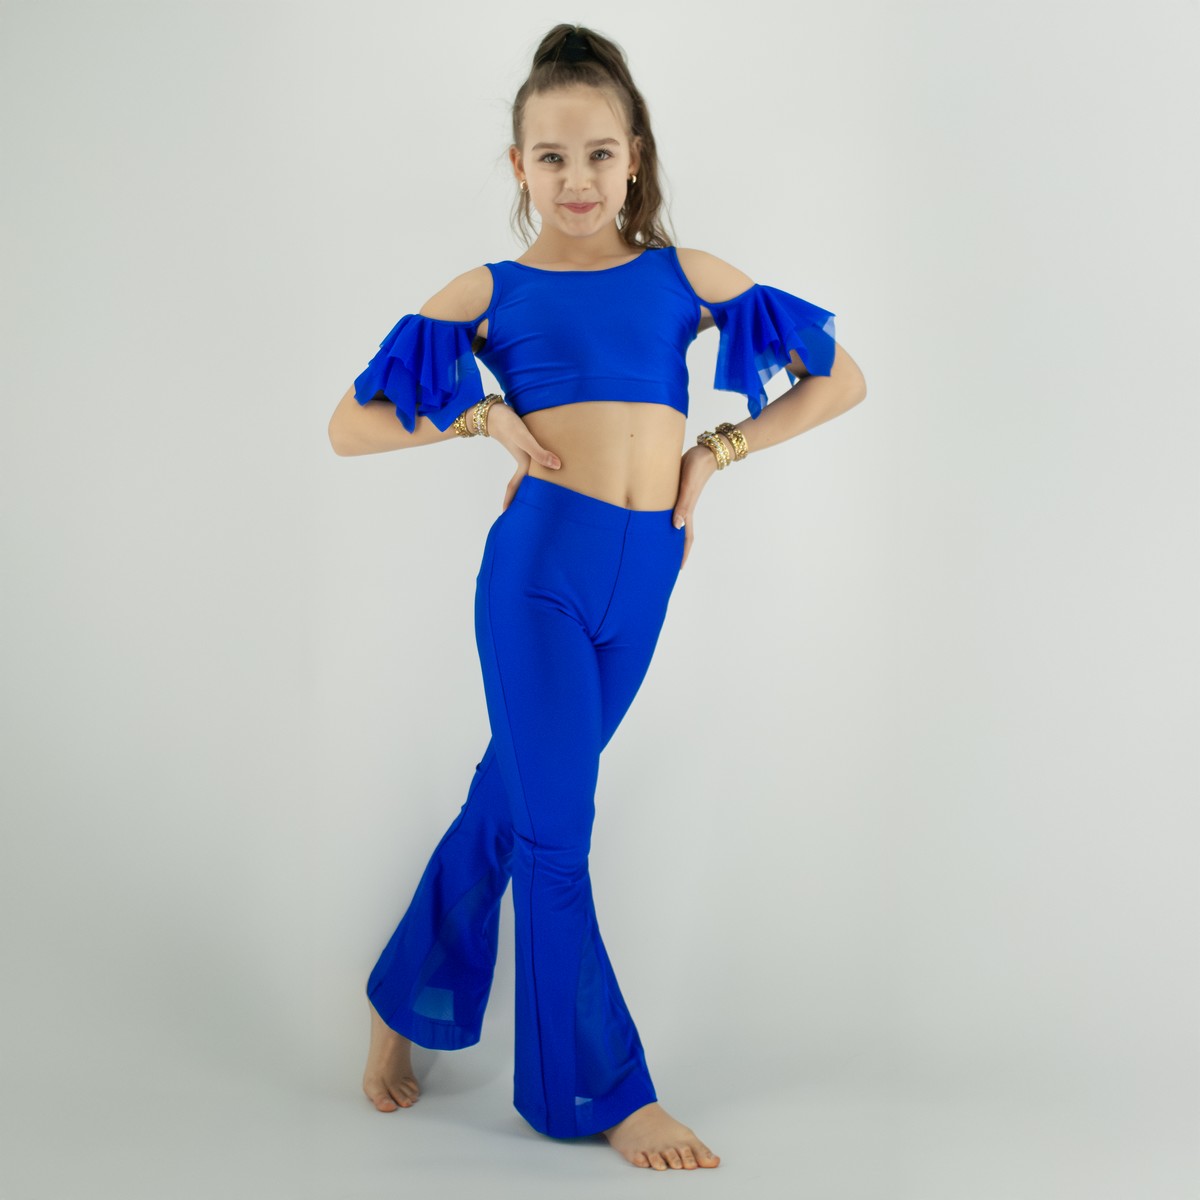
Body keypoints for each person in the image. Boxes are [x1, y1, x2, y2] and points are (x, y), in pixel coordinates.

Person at [326, 22, 867, 1172]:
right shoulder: (492, 289)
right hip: (540, 576)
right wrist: (480, 416)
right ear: (518, 166)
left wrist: (718, 449)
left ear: (635, 158)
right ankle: (606, 1093)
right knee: (557, 836)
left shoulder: (684, 277)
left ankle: (399, 996)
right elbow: (348, 425)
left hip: (647, 576)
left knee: (510, 802)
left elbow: (841, 376)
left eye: (599, 154)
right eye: (552, 157)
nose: (577, 178)